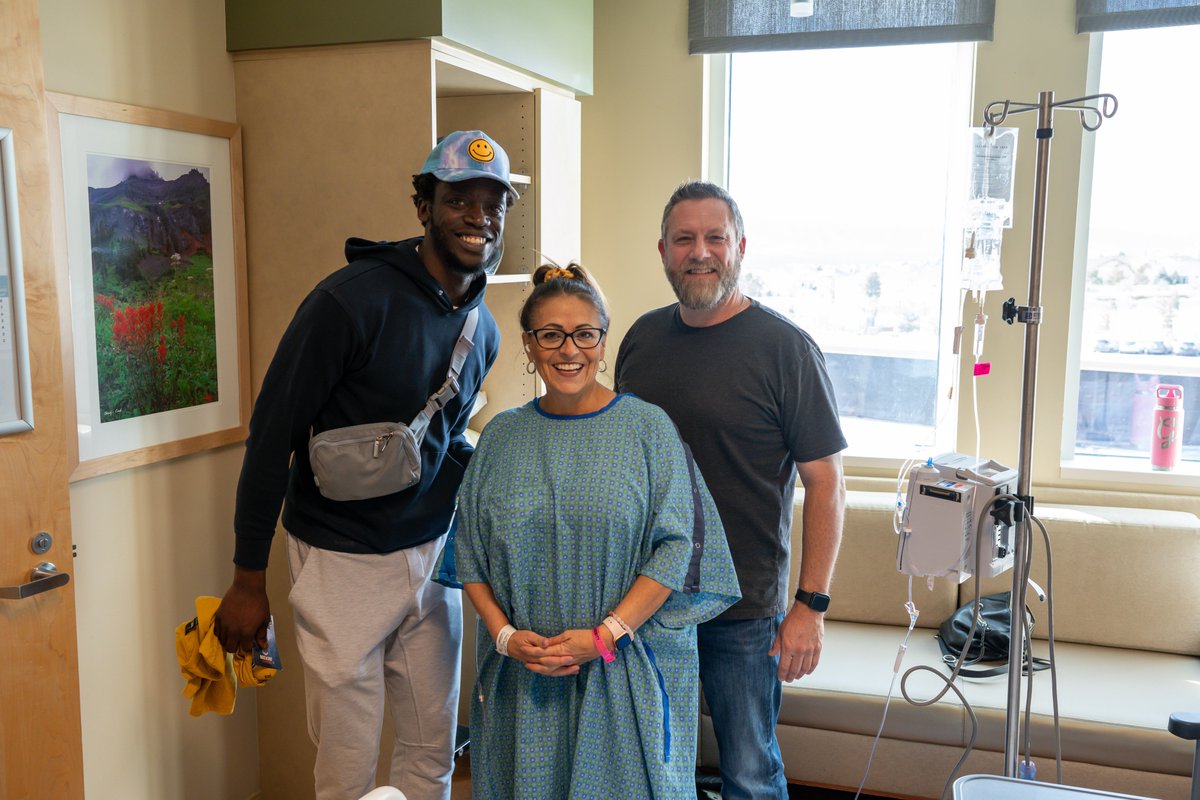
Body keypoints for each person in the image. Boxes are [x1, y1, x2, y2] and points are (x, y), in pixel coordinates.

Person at [213, 130, 519, 800]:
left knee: (432, 753)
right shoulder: (348, 302)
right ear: (423, 205)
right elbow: (272, 437)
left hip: (434, 559)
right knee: (347, 766)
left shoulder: (484, 327)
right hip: (340, 559)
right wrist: (245, 580)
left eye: (494, 203)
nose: (479, 216)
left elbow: (443, 443)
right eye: (459, 199)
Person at [437, 263, 741, 799]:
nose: (568, 350)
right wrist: (507, 639)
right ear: (528, 345)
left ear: (603, 343)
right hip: (525, 676)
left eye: (584, 334)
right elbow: (470, 554)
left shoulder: (647, 429)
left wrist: (604, 637)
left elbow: (676, 549)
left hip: (620, 667)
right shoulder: (502, 437)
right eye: (550, 335)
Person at [615, 180, 848, 799]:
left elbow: (826, 485)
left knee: (749, 771)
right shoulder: (639, 340)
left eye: (714, 238)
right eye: (684, 239)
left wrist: (810, 607)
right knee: (650, 761)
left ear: (739, 247)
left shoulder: (786, 350)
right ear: (662, 250)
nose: (700, 252)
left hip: (742, 610)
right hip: (646, 601)